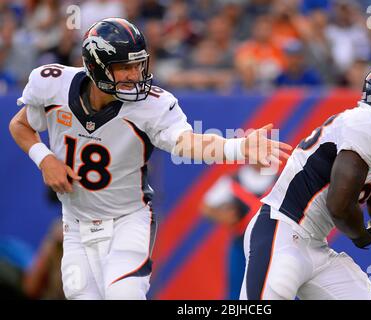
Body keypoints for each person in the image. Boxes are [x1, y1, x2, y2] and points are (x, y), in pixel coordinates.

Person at [9, 18, 292, 300]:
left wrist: (238, 147)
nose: (134, 75)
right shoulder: (52, 84)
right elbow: (20, 125)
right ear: (96, 68)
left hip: (128, 219)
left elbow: (186, 142)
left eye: (138, 65)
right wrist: (44, 158)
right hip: (76, 223)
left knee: (125, 294)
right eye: (124, 67)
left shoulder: (151, 105)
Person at [240, 62, 371, 300]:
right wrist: (361, 236)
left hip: (316, 247)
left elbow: (368, 194)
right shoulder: (368, 123)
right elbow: (339, 206)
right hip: (281, 231)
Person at [201, 164, 277, 299]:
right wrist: (223, 216)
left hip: (274, 248)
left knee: (278, 289)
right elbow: (206, 207)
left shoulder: (280, 179)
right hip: (240, 246)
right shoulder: (233, 179)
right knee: (237, 291)